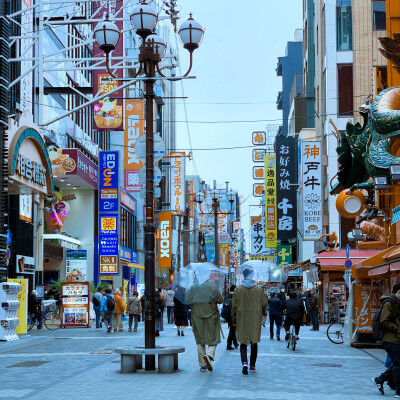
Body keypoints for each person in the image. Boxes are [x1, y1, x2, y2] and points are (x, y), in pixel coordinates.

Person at [232, 267, 267, 375]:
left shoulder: (238, 290)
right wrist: (264, 316)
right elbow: (264, 304)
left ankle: (244, 363)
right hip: (255, 319)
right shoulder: (258, 290)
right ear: (252, 276)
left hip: (241, 319)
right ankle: (252, 365)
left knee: (243, 342)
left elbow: (234, 306)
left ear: (244, 276)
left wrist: (234, 320)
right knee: (254, 342)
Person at [187, 280, 224, 372]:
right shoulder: (212, 286)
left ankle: (202, 365)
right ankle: (209, 354)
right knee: (214, 337)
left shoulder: (193, 287)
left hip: (197, 317)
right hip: (211, 316)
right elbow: (220, 300)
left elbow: (187, 300)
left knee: (199, 340)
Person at [372, 284, 400, 397]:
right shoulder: (389, 303)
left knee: (397, 363)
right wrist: (397, 328)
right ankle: (398, 390)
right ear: (398, 292)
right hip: (390, 339)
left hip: (396, 338)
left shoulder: (397, 304)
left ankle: (380, 379)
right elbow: (384, 320)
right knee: (398, 364)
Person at [222, 285, 238, 350]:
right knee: (232, 330)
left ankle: (235, 343)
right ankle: (229, 345)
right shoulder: (236, 297)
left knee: (232, 329)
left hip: (226, 315)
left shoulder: (227, 296)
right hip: (233, 315)